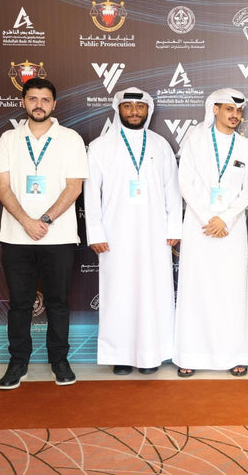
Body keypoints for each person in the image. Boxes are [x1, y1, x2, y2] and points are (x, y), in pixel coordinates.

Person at [0, 77, 88, 389]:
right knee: (19, 304)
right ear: (23, 102)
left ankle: (59, 360)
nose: (39, 105)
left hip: (58, 237)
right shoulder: (8, 139)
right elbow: (2, 187)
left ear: (54, 104)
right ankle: (18, 362)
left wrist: (44, 219)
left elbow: (74, 187)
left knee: (58, 302)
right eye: (32, 99)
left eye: (45, 99)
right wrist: (26, 221)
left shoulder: (70, 139)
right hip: (16, 236)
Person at [84, 87, 181, 376]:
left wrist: (174, 227)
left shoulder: (160, 145)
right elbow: (91, 194)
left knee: (154, 292)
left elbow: (172, 190)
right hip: (115, 234)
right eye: (128, 107)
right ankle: (121, 355)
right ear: (118, 110)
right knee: (119, 293)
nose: (134, 112)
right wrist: (95, 232)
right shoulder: (100, 146)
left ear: (148, 110)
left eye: (140, 107)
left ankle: (152, 354)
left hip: (155, 234)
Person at [173, 88, 248, 377]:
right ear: (215, 109)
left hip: (231, 229)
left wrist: (225, 219)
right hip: (199, 226)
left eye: (239, 111)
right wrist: (209, 218)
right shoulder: (195, 140)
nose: (235, 115)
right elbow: (185, 182)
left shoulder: (245, 146)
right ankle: (190, 354)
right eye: (229, 109)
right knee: (196, 288)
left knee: (231, 290)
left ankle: (235, 355)